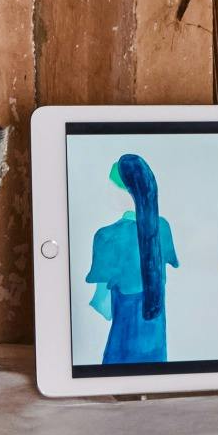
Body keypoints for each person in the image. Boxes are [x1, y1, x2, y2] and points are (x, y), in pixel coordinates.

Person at [84, 155, 178, 366]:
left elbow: (103, 305)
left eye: (112, 186)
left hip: (122, 343)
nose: (107, 191)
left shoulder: (106, 236)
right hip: (156, 345)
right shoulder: (162, 228)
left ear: (128, 192)